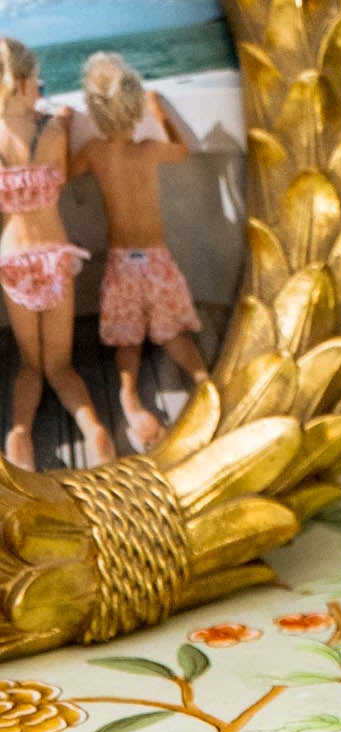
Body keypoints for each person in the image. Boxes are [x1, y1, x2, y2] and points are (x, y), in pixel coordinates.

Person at [76, 53, 209, 450]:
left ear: (95, 112)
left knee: (127, 340)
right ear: (135, 109)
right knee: (172, 336)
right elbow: (182, 150)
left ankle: (129, 400)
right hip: (157, 261)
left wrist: (63, 126)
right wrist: (159, 111)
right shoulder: (150, 149)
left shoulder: (95, 152)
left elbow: (65, 172)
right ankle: (204, 383)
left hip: (122, 264)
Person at [0, 36, 113, 470]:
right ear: (25, 83)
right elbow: (60, 179)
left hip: (14, 263)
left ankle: (19, 436)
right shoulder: (53, 129)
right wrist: (62, 116)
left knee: (30, 366)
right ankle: (95, 429)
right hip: (54, 258)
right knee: (61, 367)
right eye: (35, 80)